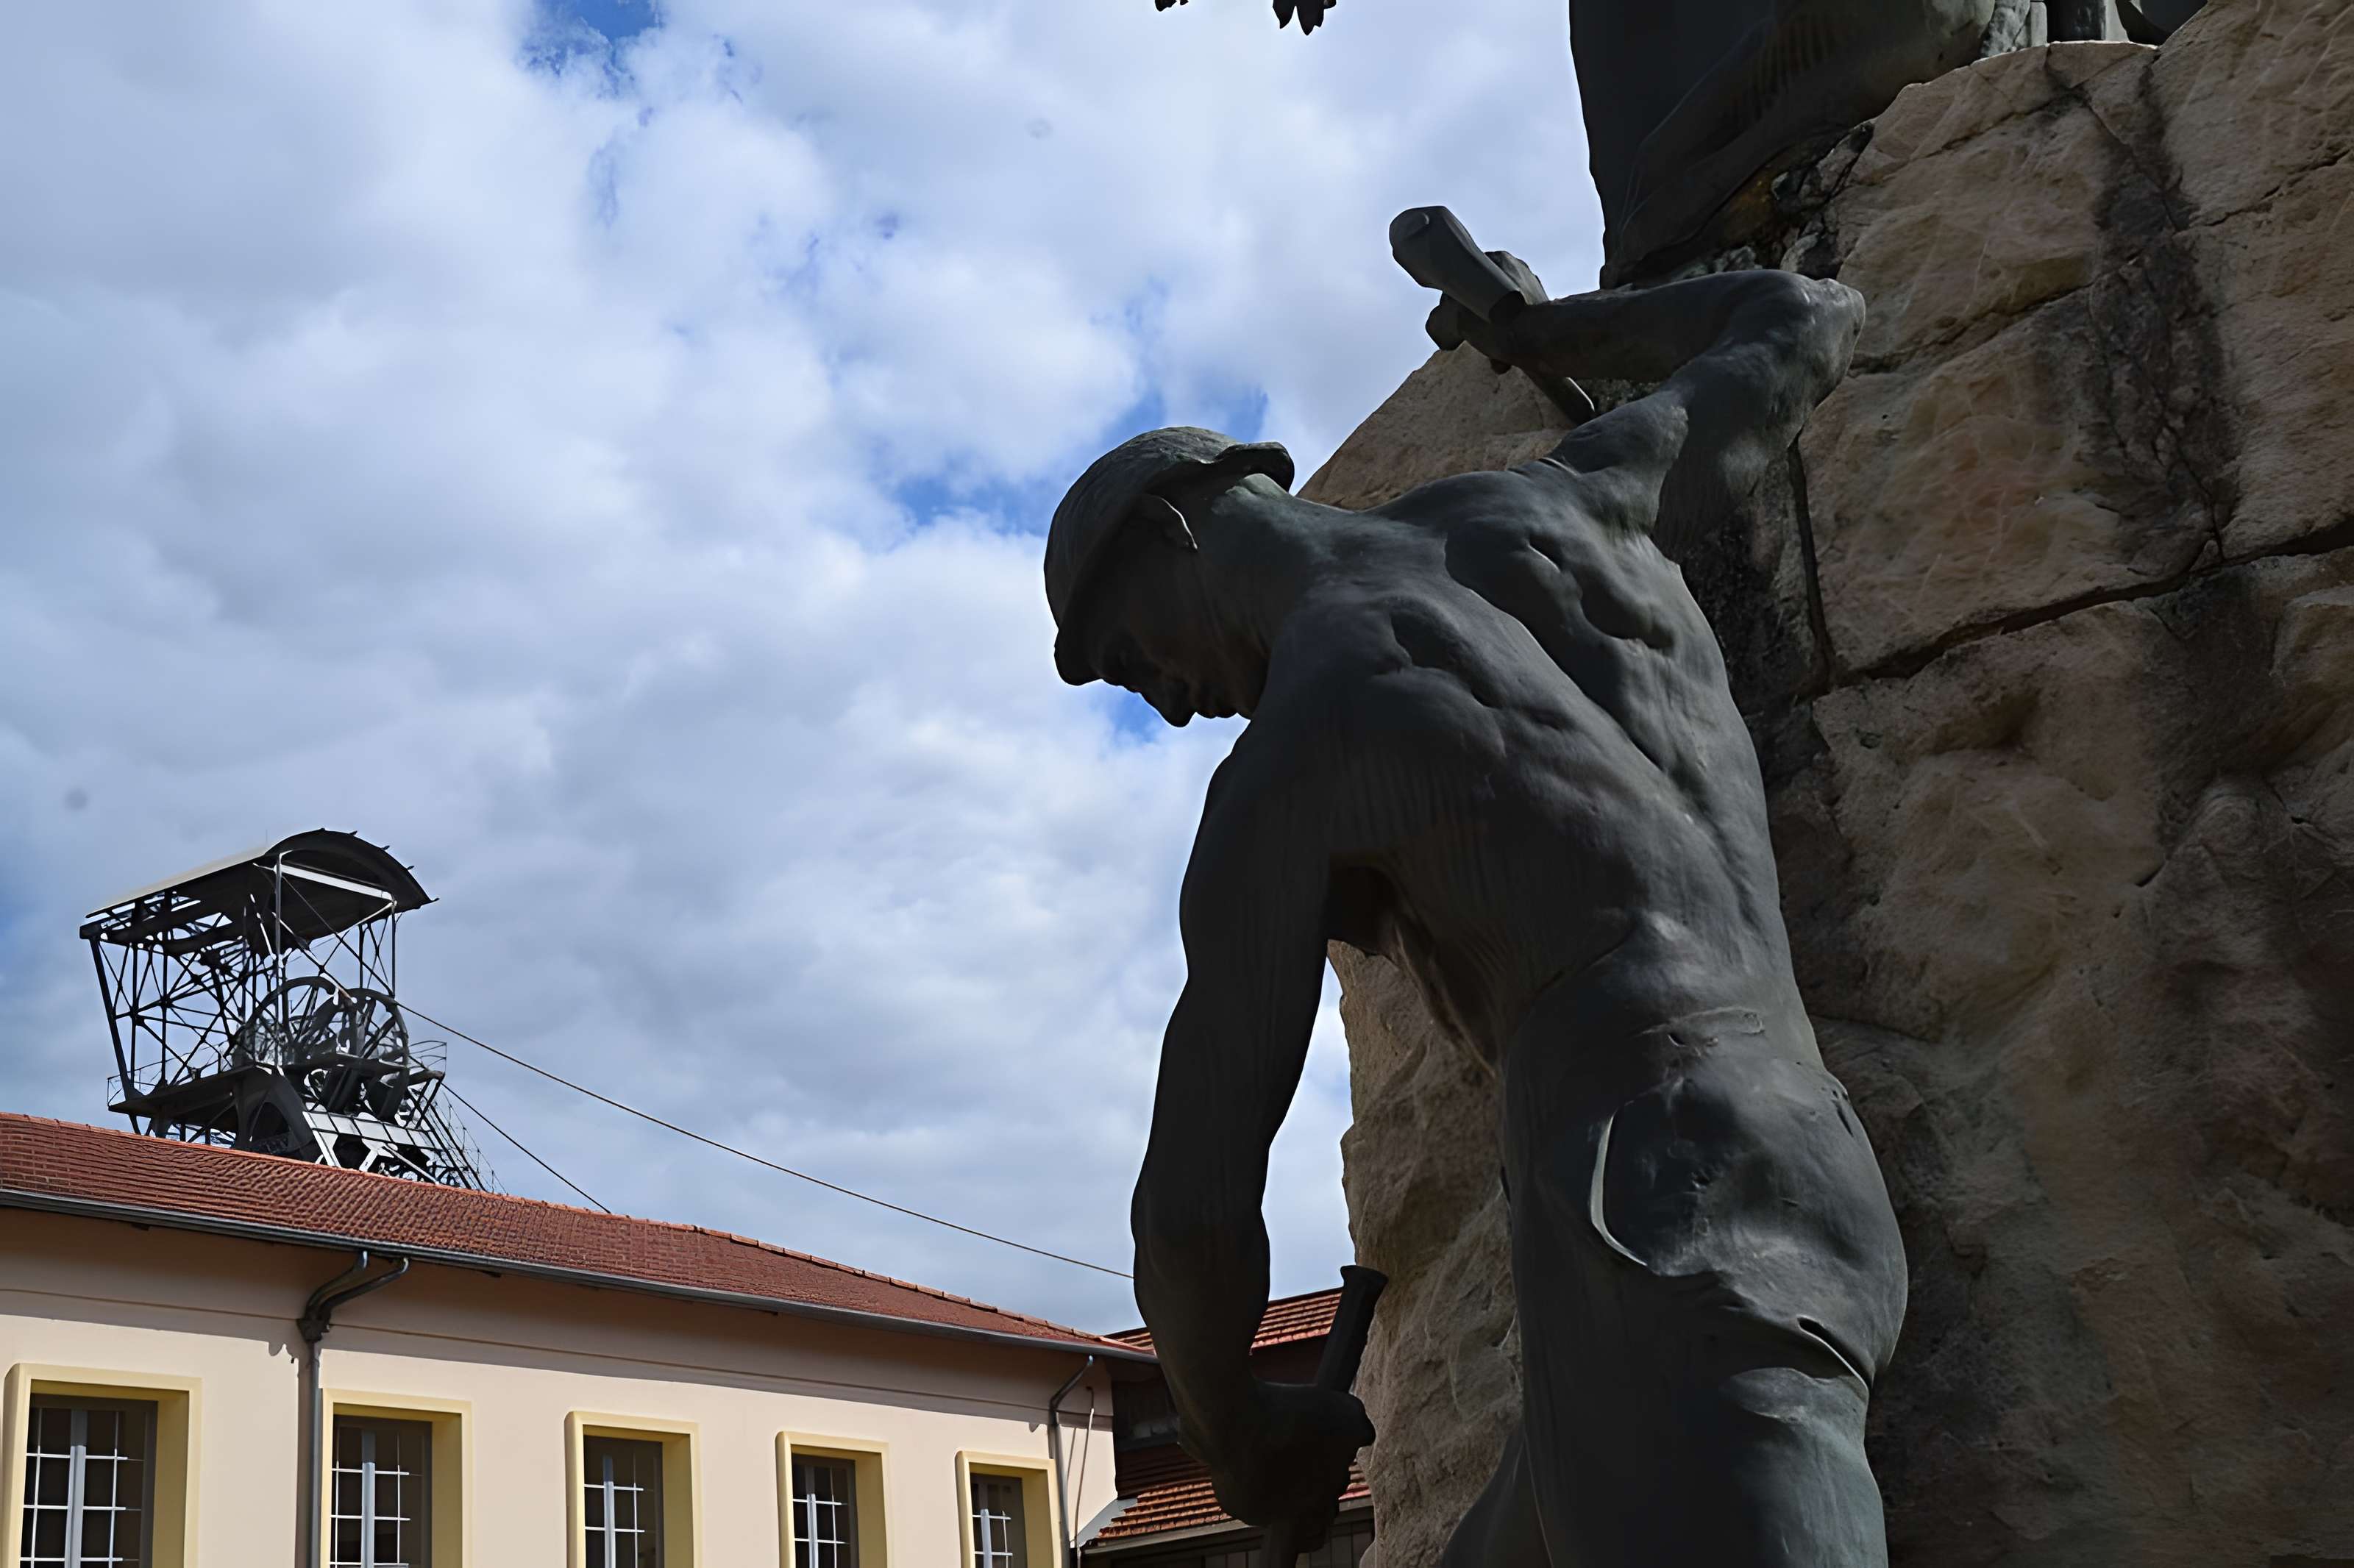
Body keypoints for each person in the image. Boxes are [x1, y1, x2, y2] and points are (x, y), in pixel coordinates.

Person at [1043, 263, 1910, 1566]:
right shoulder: (1577, 506)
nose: (1166, 704)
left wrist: (1234, 1441)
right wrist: (1538, 333)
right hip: (1792, 1151)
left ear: (1177, 531)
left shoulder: (1299, 756)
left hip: (1657, 1203)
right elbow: (1807, 314)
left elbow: (1191, 1209)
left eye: (1132, 660)